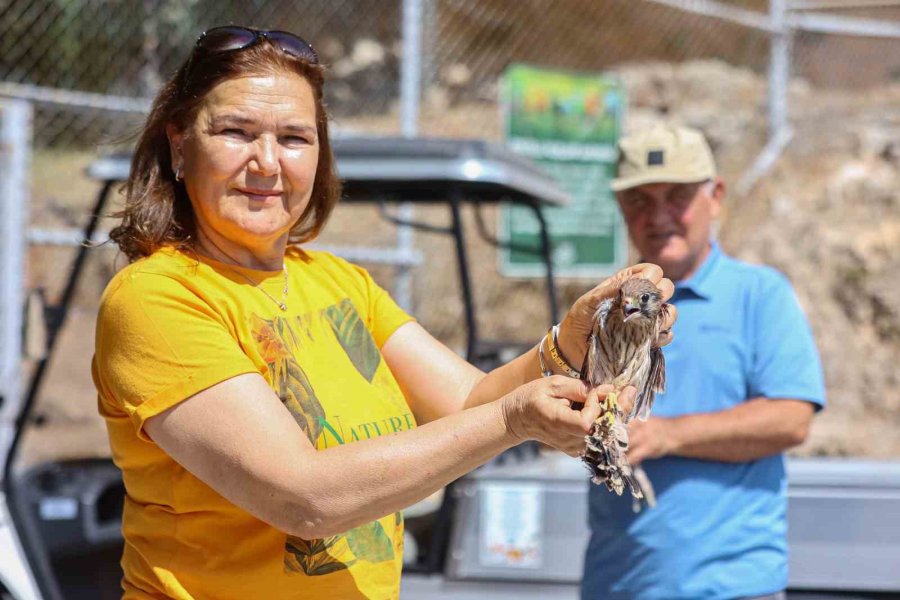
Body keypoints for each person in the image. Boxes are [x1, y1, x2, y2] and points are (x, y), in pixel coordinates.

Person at [92, 26, 677, 599]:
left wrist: (572, 341)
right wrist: (514, 420)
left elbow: (472, 402)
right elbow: (304, 498)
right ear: (178, 143)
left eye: (294, 138)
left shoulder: (340, 284)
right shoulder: (157, 298)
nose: (267, 163)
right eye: (236, 132)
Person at [581, 124, 826, 600]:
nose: (659, 216)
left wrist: (666, 436)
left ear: (715, 196)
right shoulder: (600, 308)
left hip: (731, 587)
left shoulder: (761, 295)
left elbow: (792, 419)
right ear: (620, 208)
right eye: (639, 201)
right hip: (616, 583)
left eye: (677, 197)